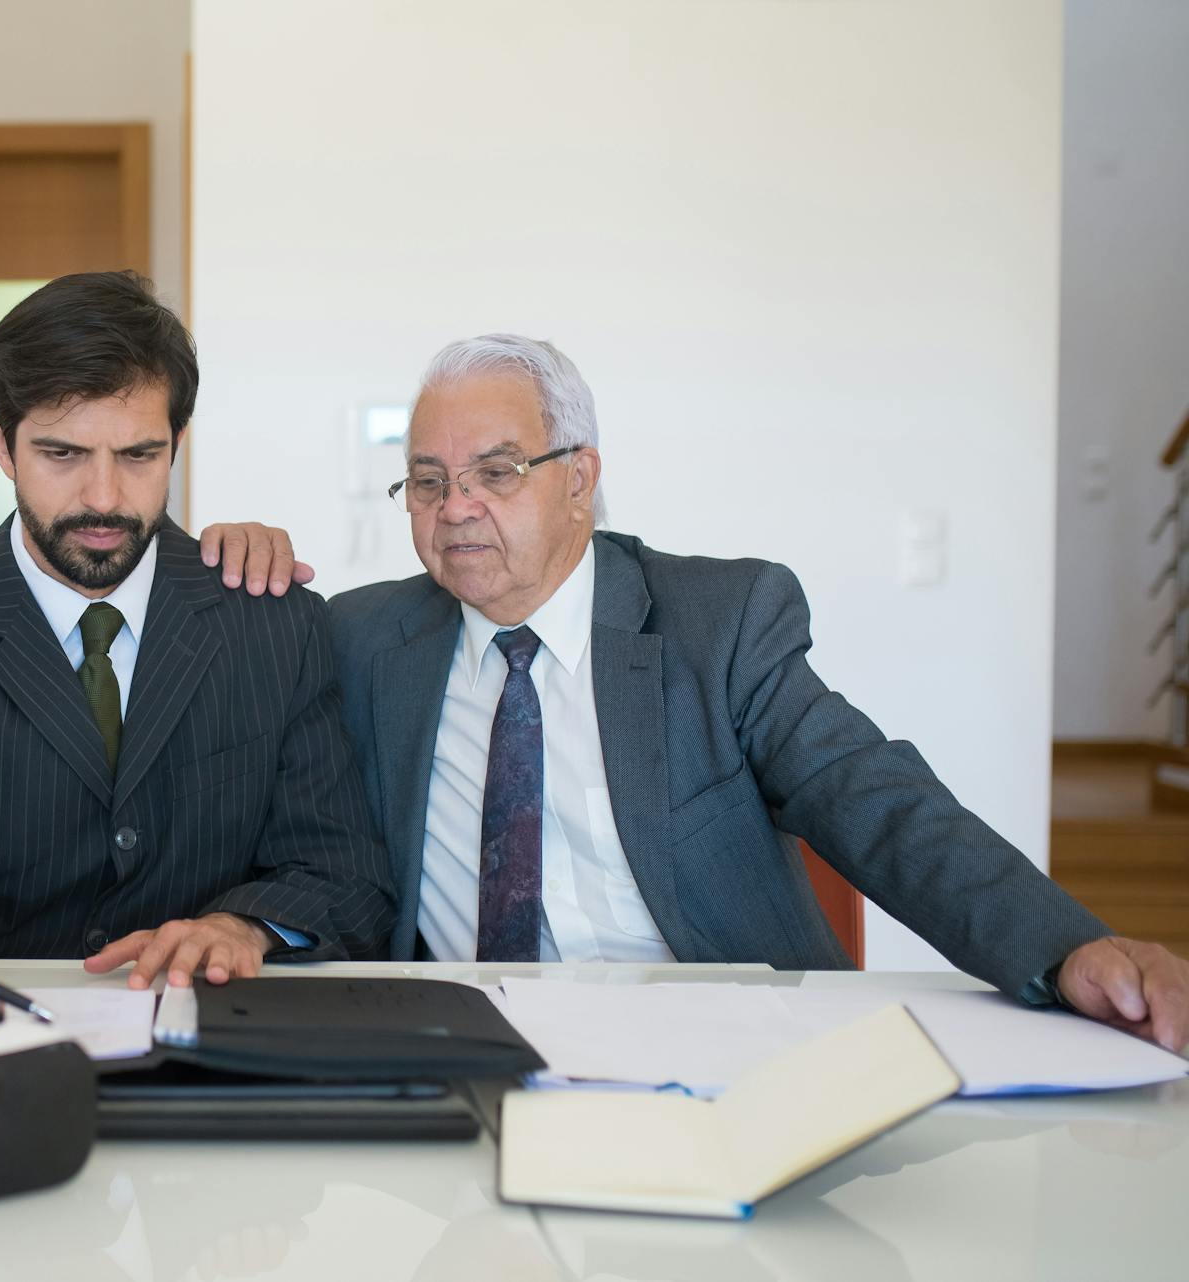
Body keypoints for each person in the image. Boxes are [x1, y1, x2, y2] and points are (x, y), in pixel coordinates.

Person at [316, 332, 1188, 1050]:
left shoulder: (718, 623)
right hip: (459, 1052)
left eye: (496, 472)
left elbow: (875, 799)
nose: (456, 506)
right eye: (428, 481)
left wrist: (1066, 947)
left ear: (579, 479)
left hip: (715, 1052)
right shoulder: (362, 641)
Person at [0, 271, 393, 1030]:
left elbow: (341, 873)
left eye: (138, 455)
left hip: (214, 1034)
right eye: (63, 454)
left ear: (178, 443)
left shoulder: (272, 623)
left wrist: (248, 927)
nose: (104, 498)